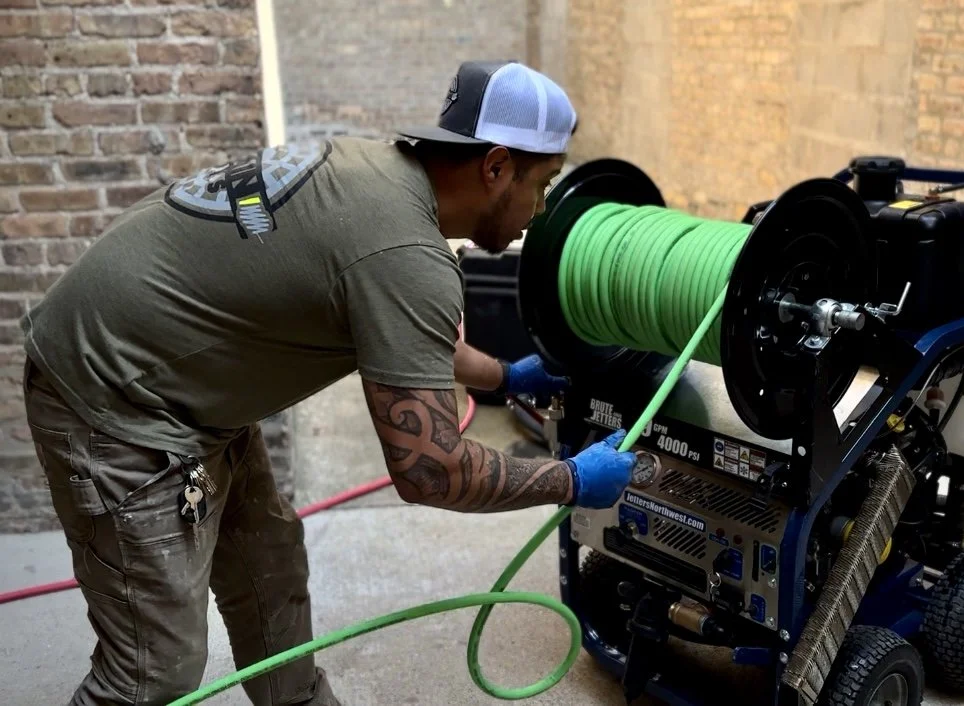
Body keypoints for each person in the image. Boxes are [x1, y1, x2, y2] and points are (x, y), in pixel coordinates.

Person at [21, 60, 637, 706]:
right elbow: (431, 471)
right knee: (154, 669)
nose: (537, 213)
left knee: (268, 565)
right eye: (541, 185)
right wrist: (570, 481)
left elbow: (416, 336)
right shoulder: (405, 256)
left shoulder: (378, 179)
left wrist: (507, 375)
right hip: (111, 395)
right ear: (494, 166)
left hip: (179, 377)